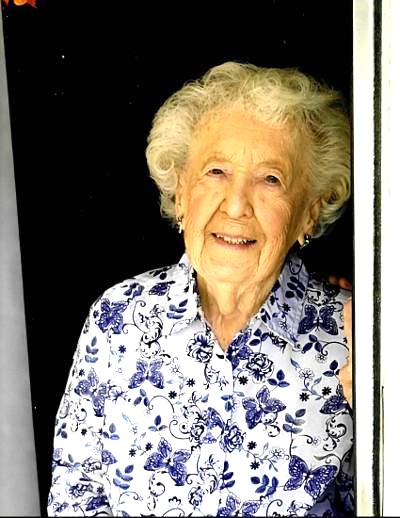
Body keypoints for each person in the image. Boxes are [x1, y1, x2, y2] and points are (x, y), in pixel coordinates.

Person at [47, 61, 353, 517]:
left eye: (271, 179)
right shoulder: (119, 318)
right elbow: (76, 495)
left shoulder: (352, 335)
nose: (236, 204)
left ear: (309, 211)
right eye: (216, 172)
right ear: (180, 194)